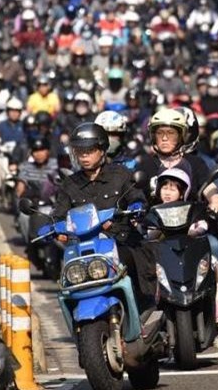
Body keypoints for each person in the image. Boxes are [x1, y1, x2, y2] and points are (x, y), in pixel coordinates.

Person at [51, 123, 157, 312]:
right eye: (80, 151)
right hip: (84, 248)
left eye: (89, 150)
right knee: (67, 282)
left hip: (120, 241)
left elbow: (136, 197)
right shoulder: (70, 184)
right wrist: (53, 228)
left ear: (102, 150)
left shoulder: (121, 174)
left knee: (140, 269)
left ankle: (144, 309)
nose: (84, 156)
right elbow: (58, 215)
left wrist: (136, 207)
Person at [148, 167, 218, 326]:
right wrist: (153, 229)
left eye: (173, 189)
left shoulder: (191, 208)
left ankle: (216, 307)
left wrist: (197, 228)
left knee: (212, 263)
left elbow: (201, 224)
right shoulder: (153, 211)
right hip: (164, 256)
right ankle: (153, 305)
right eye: (164, 187)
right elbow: (149, 234)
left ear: (182, 192)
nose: (167, 192)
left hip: (189, 254)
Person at [15, 136, 57, 200]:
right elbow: (20, 188)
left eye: (42, 150)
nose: (39, 154)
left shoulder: (56, 165)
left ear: (48, 151)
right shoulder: (26, 167)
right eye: (35, 151)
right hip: (33, 204)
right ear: (31, 153)